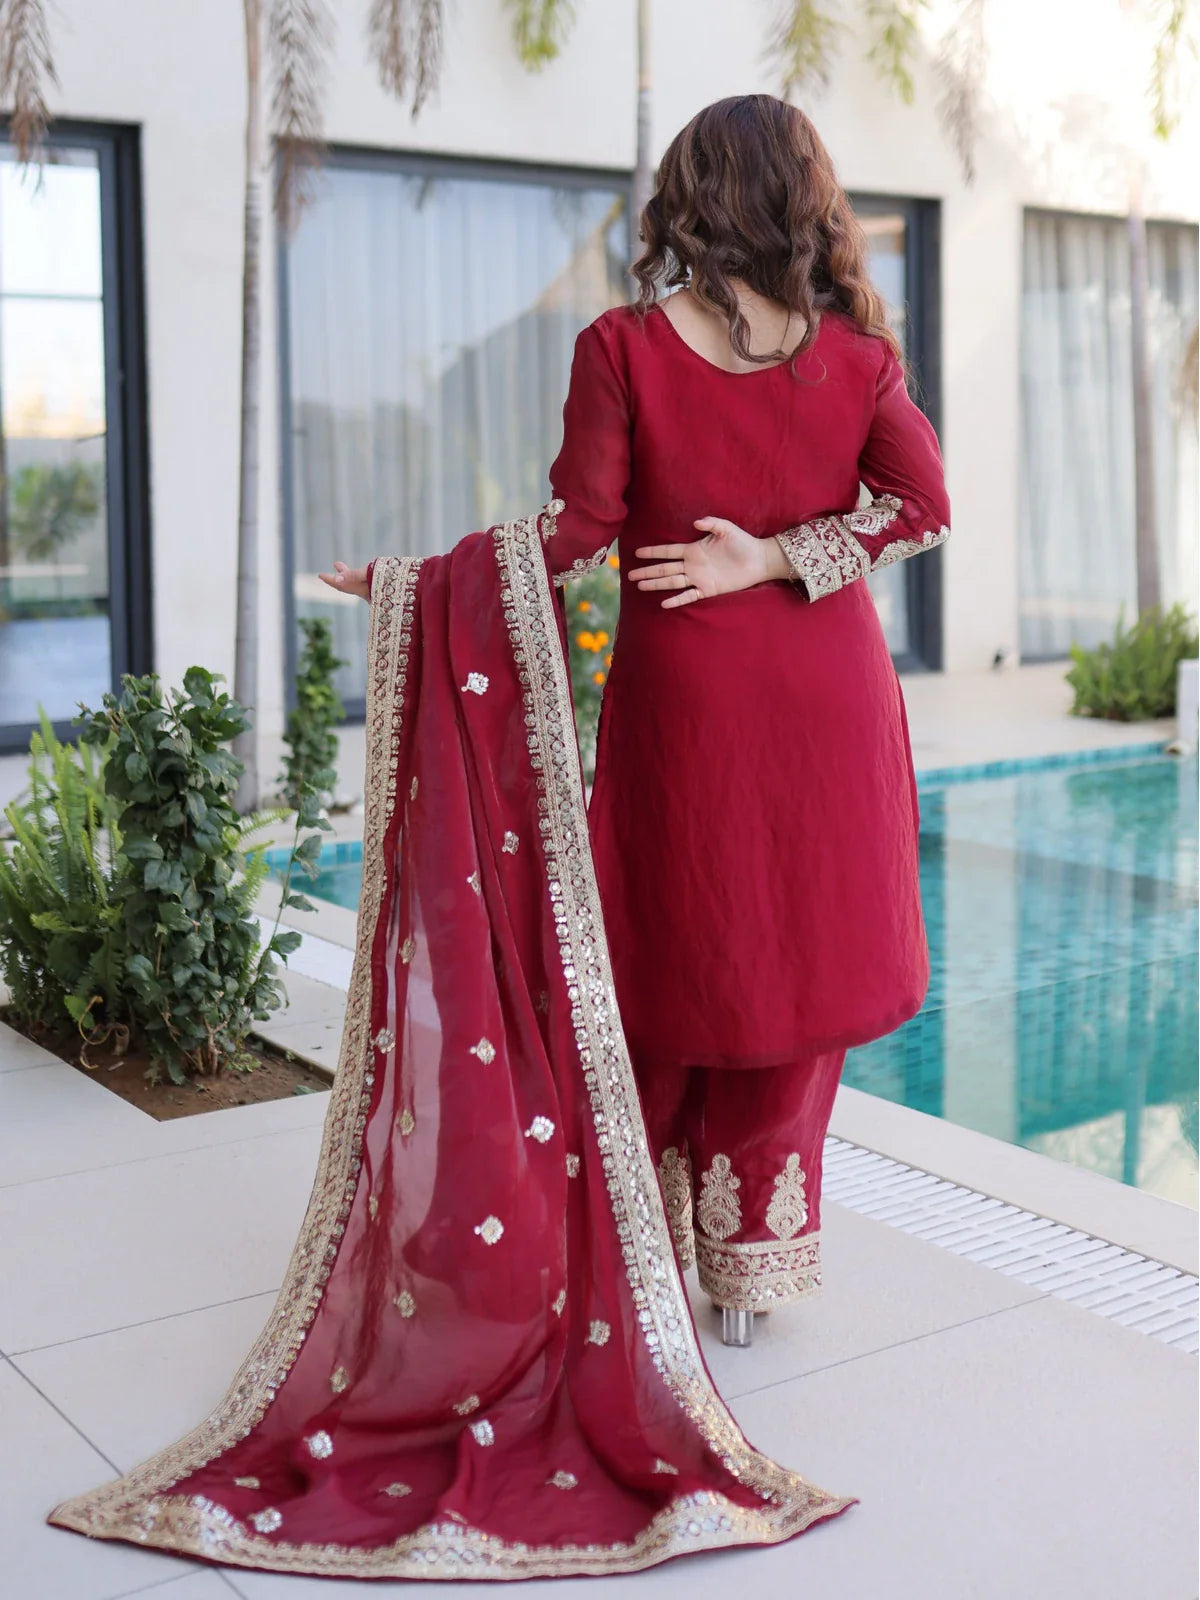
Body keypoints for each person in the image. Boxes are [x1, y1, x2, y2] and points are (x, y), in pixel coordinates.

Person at [47, 93, 945, 1582]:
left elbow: (575, 528)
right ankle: (744, 1280)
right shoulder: (846, 353)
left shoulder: (635, 348)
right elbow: (915, 512)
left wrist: (412, 585)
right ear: (802, 200)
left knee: (692, 955)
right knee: (761, 971)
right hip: (809, 695)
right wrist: (793, 557)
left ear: (690, 199)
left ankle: (651, 1264)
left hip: (717, 715)